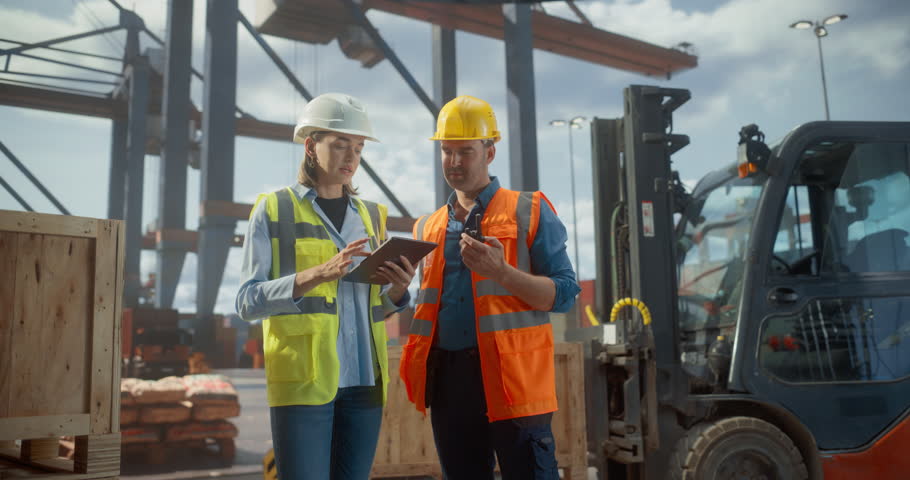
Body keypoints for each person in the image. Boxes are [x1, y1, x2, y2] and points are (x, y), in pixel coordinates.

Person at [398, 95, 580, 479]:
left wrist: (504, 273)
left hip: (514, 379)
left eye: (466, 151)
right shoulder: (426, 228)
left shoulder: (528, 210)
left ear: (490, 152)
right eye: (447, 152)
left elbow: (564, 294)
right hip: (450, 382)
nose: (455, 162)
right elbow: (425, 307)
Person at [235, 93, 415, 479]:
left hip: (365, 383)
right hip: (303, 383)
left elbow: (374, 307)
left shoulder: (372, 217)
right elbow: (247, 302)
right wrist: (315, 274)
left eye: (358, 147)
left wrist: (399, 291)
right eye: (340, 145)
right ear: (311, 147)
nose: (351, 157)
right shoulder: (273, 209)